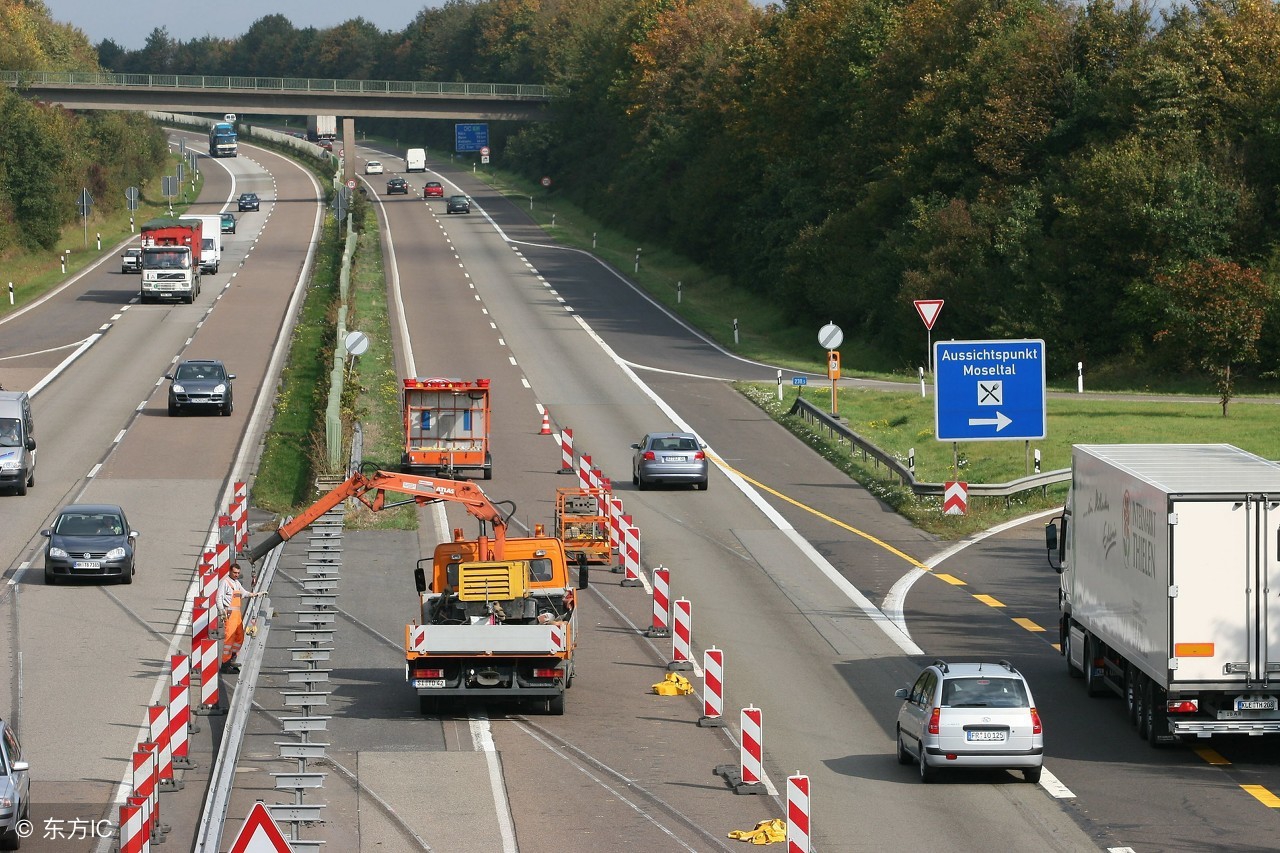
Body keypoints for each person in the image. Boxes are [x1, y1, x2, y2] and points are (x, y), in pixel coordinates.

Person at [218, 563, 263, 674]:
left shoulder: (237, 583)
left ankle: (232, 659)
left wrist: (256, 594)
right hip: (230, 614)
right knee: (229, 640)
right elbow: (219, 598)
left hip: (237, 615)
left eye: (238, 573)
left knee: (239, 638)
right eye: (235, 572)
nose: (236, 575)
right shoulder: (225, 583)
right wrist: (222, 612)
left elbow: (244, 593)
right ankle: (225, 664)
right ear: (230, 571)